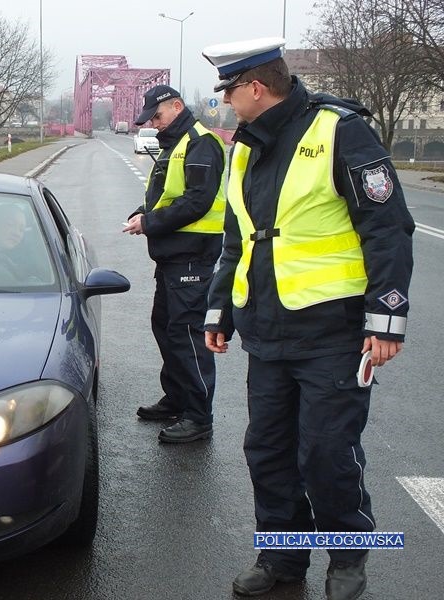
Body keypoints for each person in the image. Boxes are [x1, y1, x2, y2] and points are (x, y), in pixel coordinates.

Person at [201, 37, 414, 600]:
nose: (224, 101)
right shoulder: (244, 148)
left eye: (228, 90)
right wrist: (220, 309)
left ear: (255, 87)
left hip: (333, 333)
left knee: (325, 452)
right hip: (266, 333)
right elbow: (236, 238)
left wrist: (386, 319)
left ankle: (347, 557)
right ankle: (281, 559)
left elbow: (387, 228)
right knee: (267, 451)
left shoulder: (340, 130)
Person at [122, 84, 226, 443]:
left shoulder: (200, 143)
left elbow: (197, 201)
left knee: (187, 334)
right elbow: (166, 195)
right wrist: (143, 212)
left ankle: (199, 417)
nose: (154, 124)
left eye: (157, 116)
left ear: (177, 106)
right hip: (173, 255)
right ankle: (178, 397)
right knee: (165, 326)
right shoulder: (175, 146)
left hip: (192, 255)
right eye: (151, 119)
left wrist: (150, 223)